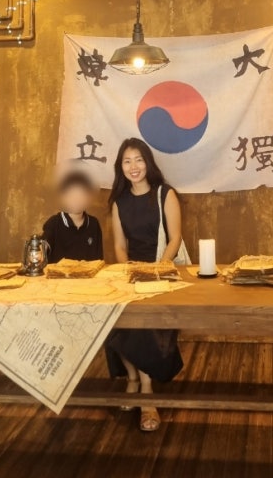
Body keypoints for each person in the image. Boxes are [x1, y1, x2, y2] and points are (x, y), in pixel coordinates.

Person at [106, 137, 184, 433]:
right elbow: (119, 245)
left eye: (138, 159)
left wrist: (158, 269)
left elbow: (175, 238)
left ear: (148, 163)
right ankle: (132, 378)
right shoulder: (119, 202)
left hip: (162, 271)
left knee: (144, 324)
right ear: (121, 167)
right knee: (112, 319)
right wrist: (130, 271)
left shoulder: (166, 194)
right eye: (127, 161)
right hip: (132, 274)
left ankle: (146, 391)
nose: (133, 166)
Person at [42, 170, 104, 263]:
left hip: (87, 271)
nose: (76, 201)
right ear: (63, 198)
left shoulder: (94, 223)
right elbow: (44, 244)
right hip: (58, 272)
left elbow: (98, 260)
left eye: (81, 196)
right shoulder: (54, 222)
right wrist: (40, 250)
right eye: (71, 196)